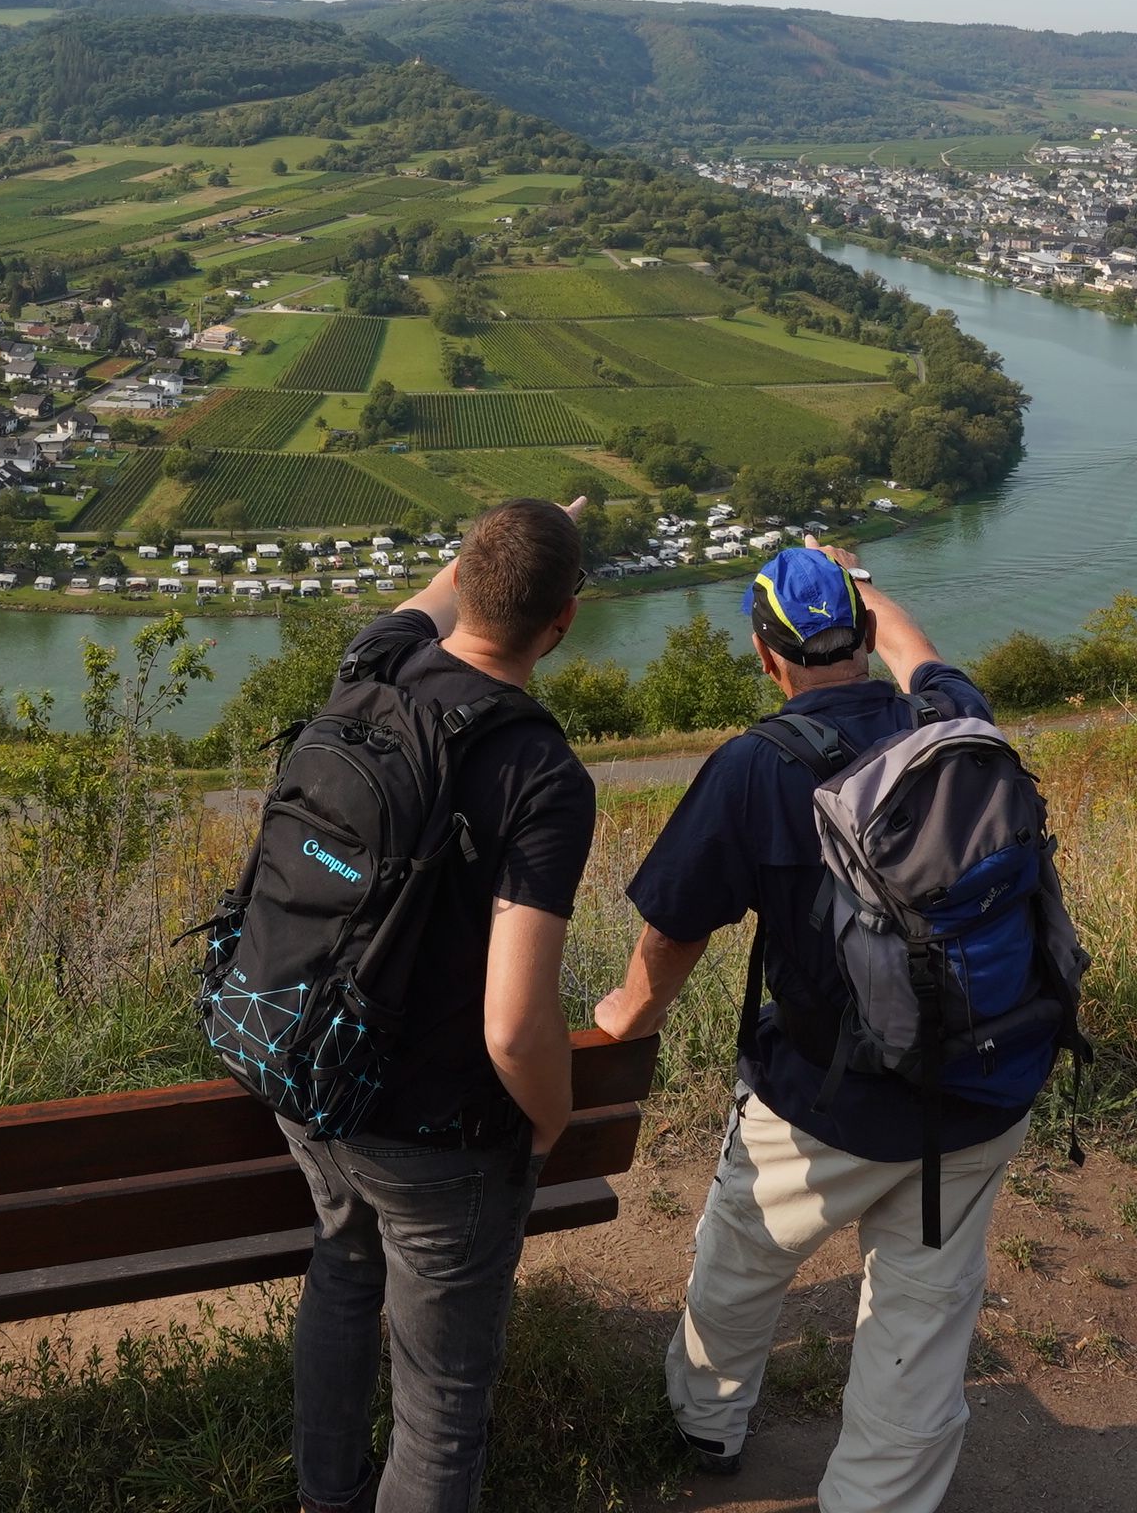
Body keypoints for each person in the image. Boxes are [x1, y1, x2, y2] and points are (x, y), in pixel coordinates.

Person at [589, 542, 1029, 1513]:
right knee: (921, 1319)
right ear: (865, 636)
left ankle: (706, 1419)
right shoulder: (953, 721)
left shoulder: (755, 766)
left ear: (766, 655)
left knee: (743, 1253)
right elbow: (917, 646)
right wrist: (861, 577)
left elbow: (674, 930)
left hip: (827, 1102)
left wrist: (628, 1010)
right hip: (980, 1089)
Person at [280, 497, 600, 1513]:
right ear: (565, 622)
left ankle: (325, 1496)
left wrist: (511, 534)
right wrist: (549, 1120)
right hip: (436, 1137)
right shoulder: (541, 773)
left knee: (340, 1269)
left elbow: (426, 599)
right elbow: (512, 1023)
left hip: (307, 1072)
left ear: (459, 581)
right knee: (443, 1399)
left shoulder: (370, 665)